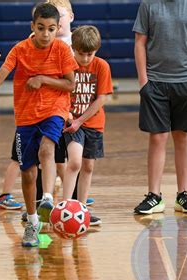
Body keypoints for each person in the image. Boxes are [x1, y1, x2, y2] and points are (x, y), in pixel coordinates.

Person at [0, 3, 78, 247]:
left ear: (58, 28)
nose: (46, 34)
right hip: (26, 116)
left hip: (54, 110)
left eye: (51, 29)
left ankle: (47, 198)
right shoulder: (20, 49)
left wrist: (43, 79)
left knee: (47, 150)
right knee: (27, 173)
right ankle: (33, 222)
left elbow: (70, 85)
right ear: (32, 27)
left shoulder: (61, 50)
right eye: (41, 28)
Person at [132, 0, 187, 214]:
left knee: (183, 136)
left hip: (186, 83)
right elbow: (140, 42)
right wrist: (143, 82)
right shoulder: (148, 5)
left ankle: (183, 194)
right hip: (155, 83)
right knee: (157, 137)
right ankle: (154, 196)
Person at [62, 25, 113, 226]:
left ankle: (81, 209)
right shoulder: (66, 65)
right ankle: (65, 207)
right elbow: (61, 93)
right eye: (80, 54)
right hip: (71, 122)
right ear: (73, 48)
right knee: (74, 162)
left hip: (92, 123)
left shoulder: (102, 66)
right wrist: (69, 116)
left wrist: (79, 120)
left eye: (89, 54)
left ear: (96, 51)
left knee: (88, 166)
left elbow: (101, 99)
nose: (84, 59)